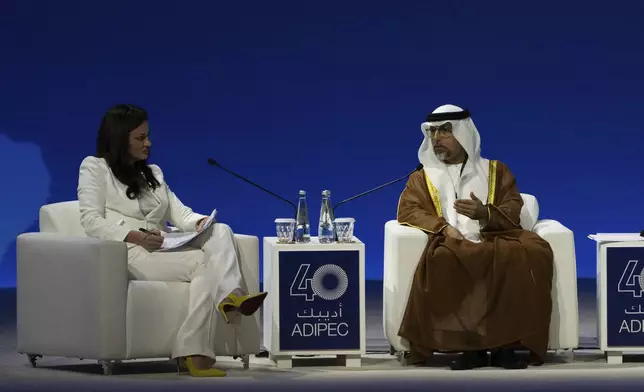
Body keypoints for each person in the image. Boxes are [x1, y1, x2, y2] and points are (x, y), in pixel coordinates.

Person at [77, 104, 267, 377]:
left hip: (162, 245)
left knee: (221, 230)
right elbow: (91, 221)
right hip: (126, 251)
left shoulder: (152, 173)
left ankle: (231, 299)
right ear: (120, 139)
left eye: (148, 136)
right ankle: (195, 349)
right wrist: (137, 237)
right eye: (140, 138)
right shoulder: (95, 168)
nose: (148, 143)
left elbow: (180, 213)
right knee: (205, 263)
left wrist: (199, 223)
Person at [396, 104, 554, 370]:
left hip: (495, 236)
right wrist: (445, 227)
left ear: (464, 134)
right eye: (432, 133)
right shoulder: (422, 178)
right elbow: (409, 209)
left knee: (528, 252)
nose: (437, 139)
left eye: (445, 132)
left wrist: (485, 213)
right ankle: (471, 348)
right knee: (447, 257)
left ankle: (505, 347)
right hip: (450, 240)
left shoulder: (496, 170)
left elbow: (513, 206)